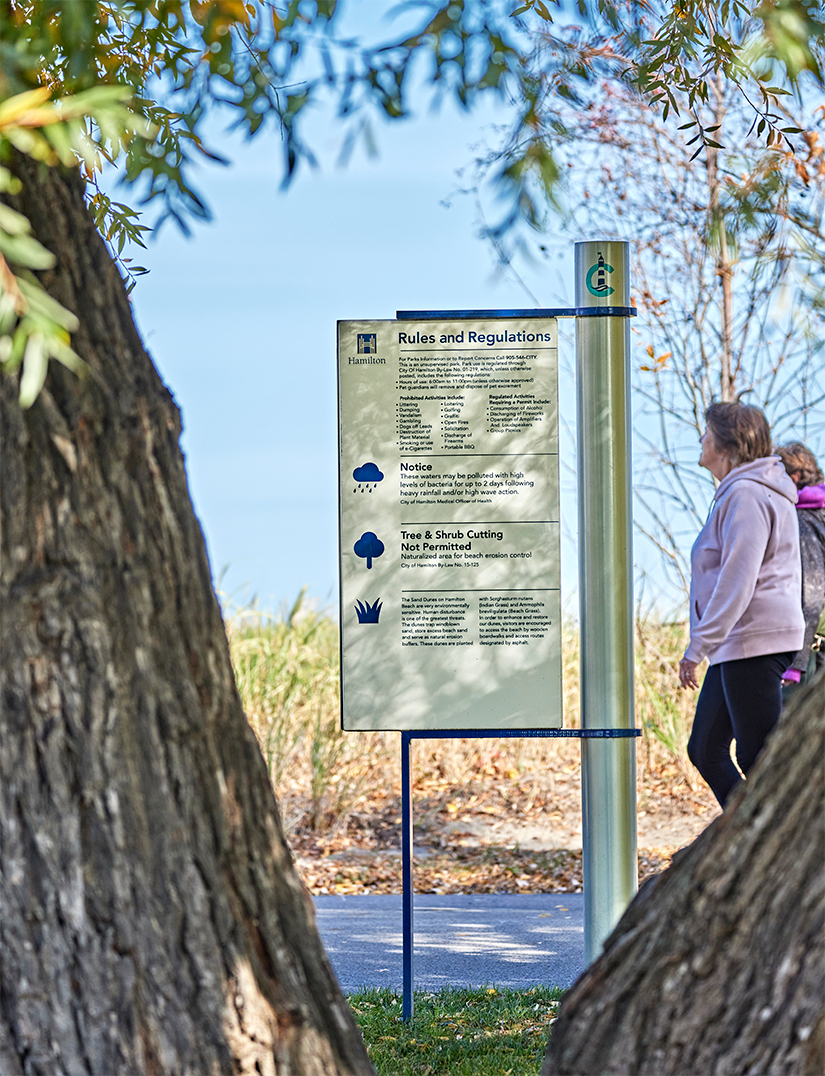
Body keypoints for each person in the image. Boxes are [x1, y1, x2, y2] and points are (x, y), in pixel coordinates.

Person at [678, 402, 805, 808]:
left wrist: (697, 646)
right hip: (739, 641)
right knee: (705, 750)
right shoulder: (740, 492)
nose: (701, 439)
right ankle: (745, 844)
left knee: (760, 759)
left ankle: (781, 848)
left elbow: (737, 579)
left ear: (728, 445)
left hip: (755, 638)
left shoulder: (748, 495)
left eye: (707, 432)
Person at [775, 442, 825, 693]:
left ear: (794, 478)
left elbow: (812, 595)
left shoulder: (804, 520)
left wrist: (796, 664)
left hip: (813, 655)